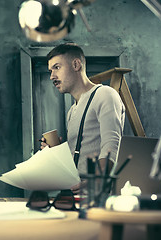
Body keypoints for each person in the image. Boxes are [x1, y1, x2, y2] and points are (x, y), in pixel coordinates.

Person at [41, 43, 125, 194]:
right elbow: (81, 153)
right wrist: (56, 151)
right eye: (50, 71)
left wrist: (95, 183)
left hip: (97, 198)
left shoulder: (104, 94)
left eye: (57, 67)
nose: (52, 76)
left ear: (76, 64)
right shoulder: (72, 111)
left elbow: (111, 146)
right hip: (74, 195)